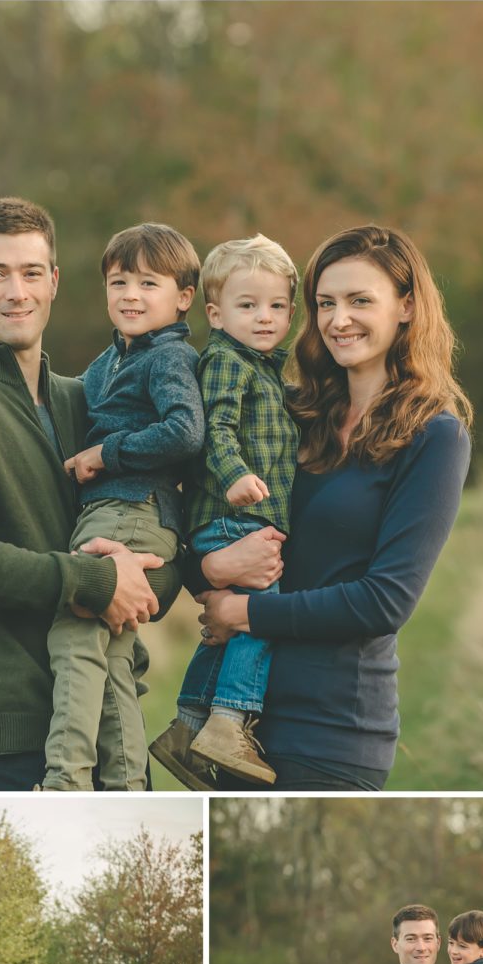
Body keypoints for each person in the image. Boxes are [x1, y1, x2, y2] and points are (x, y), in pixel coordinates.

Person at [0, 197, 182, 792]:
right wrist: (96, 581)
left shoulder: (87, 400)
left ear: (53, 283)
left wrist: (169, 573)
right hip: (13, 737)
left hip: (110, 720)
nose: (15, 291)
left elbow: (148, 523)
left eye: (30, 273)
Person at [193, 223, 471, 791]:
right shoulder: (291, 413)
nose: (338, 319)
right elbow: (200, 508)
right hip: (237, 720)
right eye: (325, 303)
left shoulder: (435, 437)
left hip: (333, 732)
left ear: (407, 307)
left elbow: (384, 600)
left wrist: (241, 614)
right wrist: (209, 569)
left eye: (359, 301)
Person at [42, 223, 203, 791]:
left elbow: (185, 432)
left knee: (74, 628)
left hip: (131, 511)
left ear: (183, 298)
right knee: (111, 654)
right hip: (113, 513)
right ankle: (125, 786)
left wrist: (106, 454)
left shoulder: (168, 358)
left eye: (148, 283)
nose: (130, 295)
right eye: (118, 282)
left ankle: (64, 781)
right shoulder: (112, 360)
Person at [151, 233, 299, 788]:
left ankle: (188, 727)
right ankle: (230, 720)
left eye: (278, 306)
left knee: (229, 629)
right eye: (248, 305)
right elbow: (214, 428)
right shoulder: (225, 363)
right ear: (214, 313)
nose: (265, 317)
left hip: (248, 520)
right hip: (232, 519)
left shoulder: (265, 369)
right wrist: (235, 475)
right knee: (260, 616)